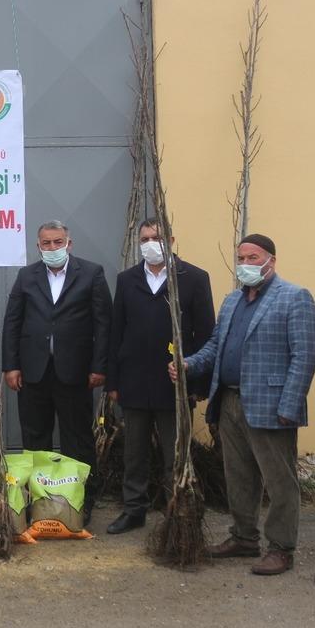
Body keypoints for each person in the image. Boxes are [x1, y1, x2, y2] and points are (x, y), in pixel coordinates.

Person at [173, 234, 315, 576]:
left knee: (279, 479)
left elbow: (304, 355)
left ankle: (281, 548)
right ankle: (243, 537)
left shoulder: (294, 298)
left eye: (253, 258)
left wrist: (291, 404)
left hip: (272, 403)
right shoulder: (232, 301)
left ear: (271, 260)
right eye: (242, 258)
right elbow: (215, 345)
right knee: (238, 475)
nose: (246, 264)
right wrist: (189, 363)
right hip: (230, 400)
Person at [105, 219, 215, 534]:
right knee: (134, 452)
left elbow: (206, 333)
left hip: (174, 385)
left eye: (156, 237)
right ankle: (133, 509)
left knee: (175, 452)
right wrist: (113, 382)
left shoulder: (192, 278)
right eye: (145, 238)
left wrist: (197, 383)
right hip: (134, 380)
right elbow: (117, 332)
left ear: (171, 239)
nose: (150, 243)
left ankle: (177, 510)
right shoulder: (127, 280)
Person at [2, 220, 111, 524]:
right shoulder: (26, 276)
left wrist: (99, 366)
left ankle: (81, 501)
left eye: (58, 242)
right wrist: (10, 365)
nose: (52, 248)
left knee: (77, 439)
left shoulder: (91, 273)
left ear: (69, 244)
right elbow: (13, 322)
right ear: (38, 247)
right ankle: (42, 500)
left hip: (75, 372)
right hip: (33, 373)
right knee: (35, 438)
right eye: (46, 244)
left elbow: (104, 324)